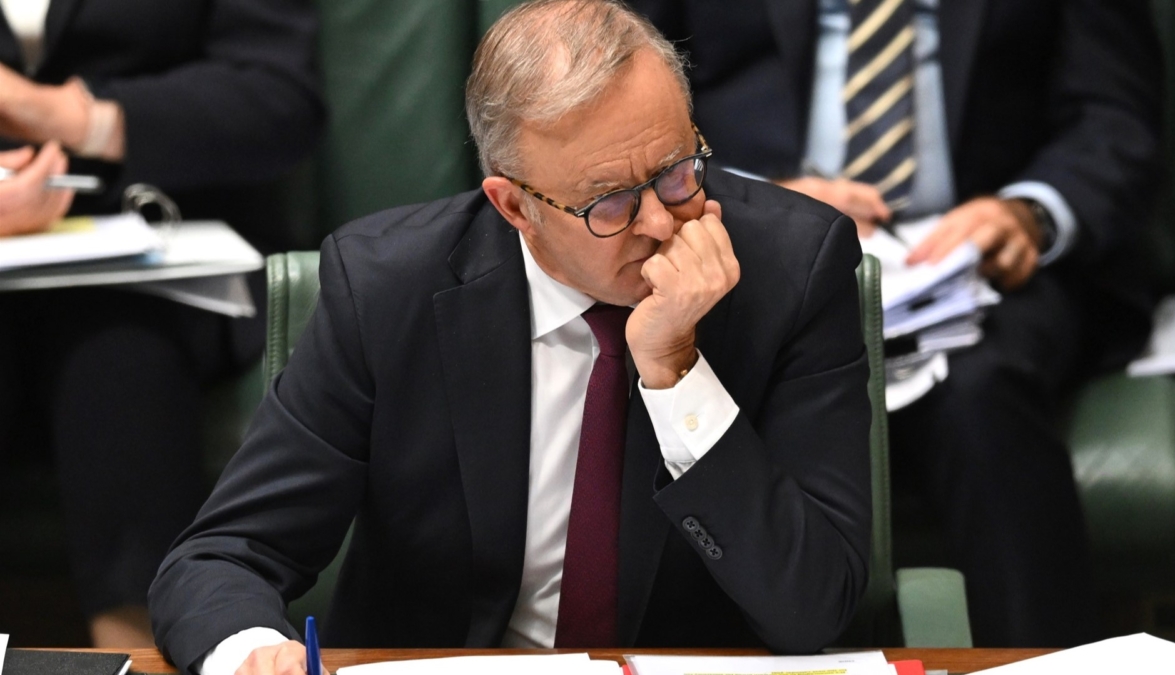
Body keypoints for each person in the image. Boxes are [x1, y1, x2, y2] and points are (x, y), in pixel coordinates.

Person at [148, 1, 873, 672]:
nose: (660, 221)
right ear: (514, 206)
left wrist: (676, 372)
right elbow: (223, 557)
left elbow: (810, 608)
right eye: (611, 202)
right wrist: (249, 653)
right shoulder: (386, 288)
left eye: (677, 171)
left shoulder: (792, 270)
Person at [629, 0, 1163, 647]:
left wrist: (1032, 211)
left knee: (983, 390)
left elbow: (1113, 114)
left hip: (982, 262)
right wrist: (755, 197)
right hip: (738, 235)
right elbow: (623, 78)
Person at [0, 0, 323, 647]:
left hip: (166, 246)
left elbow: (278, 99)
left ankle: (137, 648)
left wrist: (70, 116)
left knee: (116, 354)